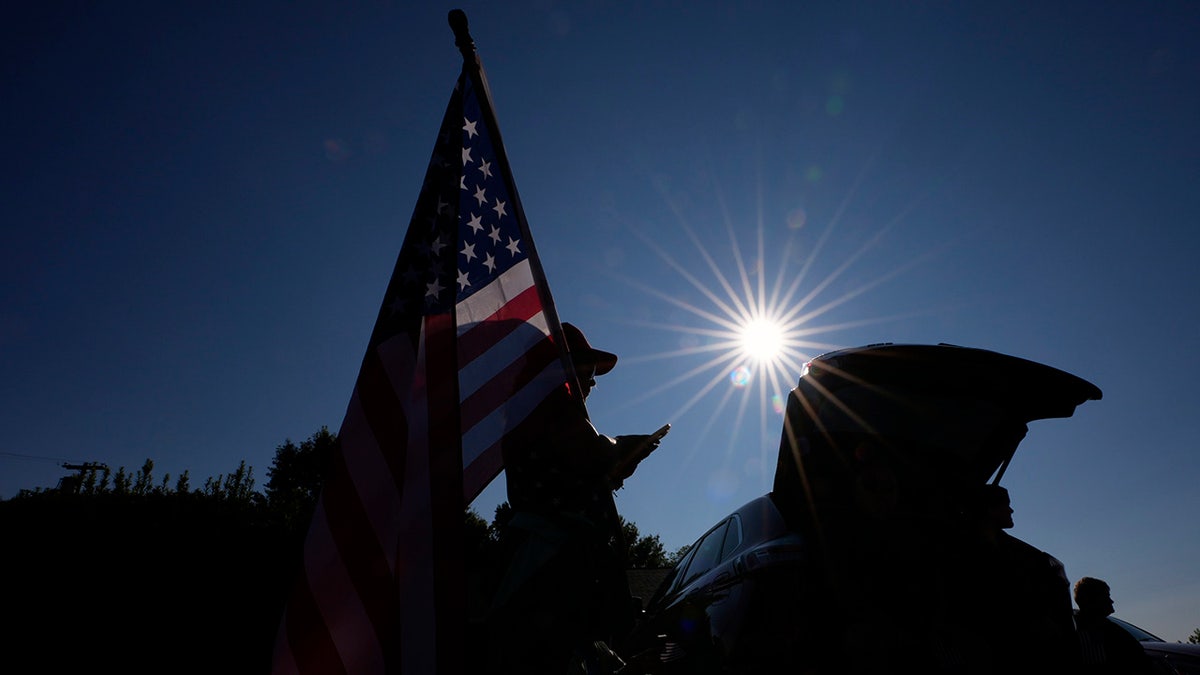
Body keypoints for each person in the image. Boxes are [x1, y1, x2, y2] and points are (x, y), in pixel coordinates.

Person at [485, 322, 667, 674]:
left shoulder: (532, 408)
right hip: (552, 557)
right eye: (587, 369)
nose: (593, 381)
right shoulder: (551, 405)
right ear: (564, 368)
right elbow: (595, 456)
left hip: (555, 554)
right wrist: (628, 446)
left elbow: (586, 470)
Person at [1073, 577, 1152, 674]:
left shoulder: (1109, 629)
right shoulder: (1090, 633)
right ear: (1092, 600)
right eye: (1106, 596)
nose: (1111, 601)